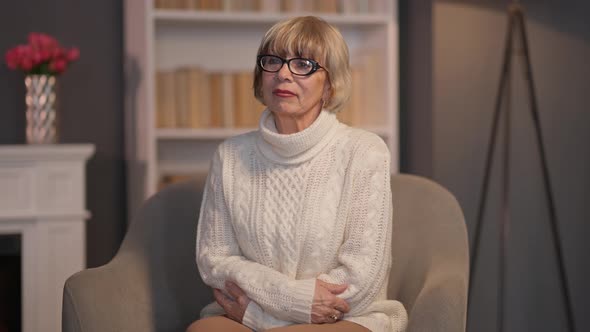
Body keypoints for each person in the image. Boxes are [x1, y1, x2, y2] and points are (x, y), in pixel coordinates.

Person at [187, 16, 407, 332]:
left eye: (303, 64)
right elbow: (215, 262)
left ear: (331, 83)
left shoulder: (364, 151)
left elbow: (362, 276)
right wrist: (292, 299)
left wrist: (260, 319)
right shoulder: (230, 155)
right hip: (245, 312)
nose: (283, 74)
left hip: (342, 318)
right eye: (273, 61)